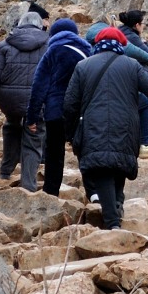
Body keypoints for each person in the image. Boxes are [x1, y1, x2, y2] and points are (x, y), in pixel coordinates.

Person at [62, 27, 148, 229]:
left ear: (97, 43)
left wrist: (71, 132)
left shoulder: (83, 66)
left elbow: (70, 104)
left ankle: (112, 220)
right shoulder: (131, 65)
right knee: (119, 164)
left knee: (102, 168)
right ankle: (115, 213)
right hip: (125, 126)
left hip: (94, 125)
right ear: (121, 44)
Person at [26, 18, 91, 196]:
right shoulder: (87, 52)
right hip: (81, 112)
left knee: (54, 153)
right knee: (85, 152)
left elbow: (39, 86)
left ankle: (51, 193)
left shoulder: (52, 51)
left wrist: (32, 117)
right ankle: (94, 193)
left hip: (56, 111)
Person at [0, 9, 49, 188]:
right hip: (36, 100)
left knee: (11, 126)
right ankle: (28, 185)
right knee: (34, 138)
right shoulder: (48, 44)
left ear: (20, 25)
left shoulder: (5, 45)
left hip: (10, 100)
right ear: (40, 26)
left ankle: (5, 173)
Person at [117, 9, 148, 158]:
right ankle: (145, 144)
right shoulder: (132, 37)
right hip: (133, 81)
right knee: (145, 105)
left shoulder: (122, 33)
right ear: (136, 25)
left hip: (121, 82)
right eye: (143, 24)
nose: (144, 26)